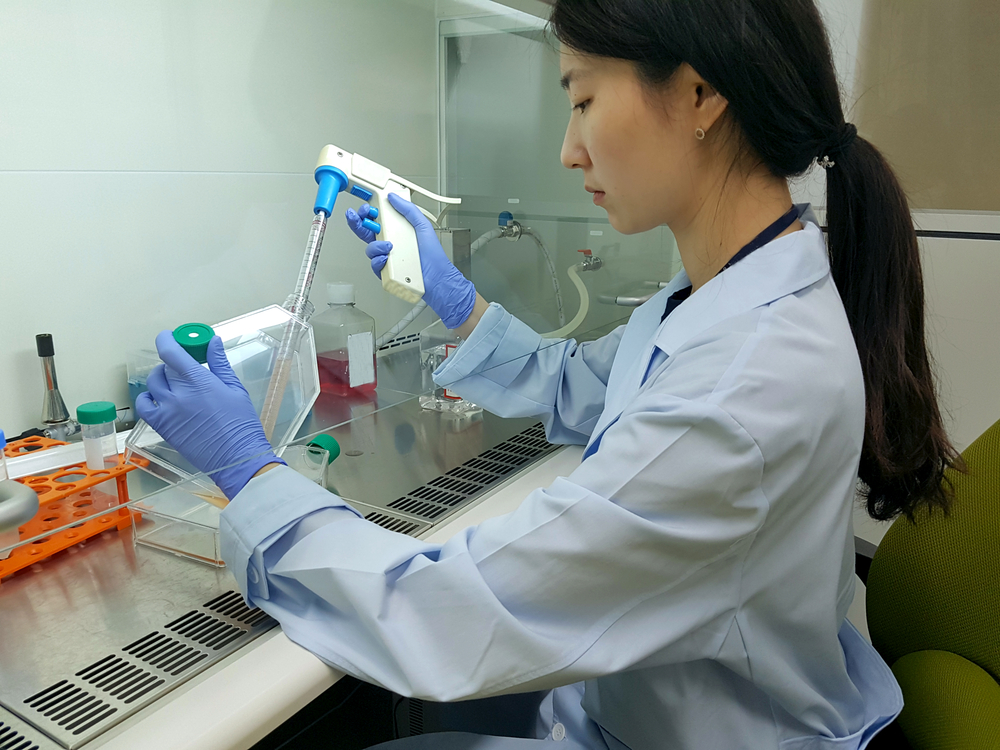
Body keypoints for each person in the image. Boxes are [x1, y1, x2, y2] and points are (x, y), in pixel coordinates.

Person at [136, 1, 962, 747]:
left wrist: (253, 475)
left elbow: (450, 613)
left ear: (702, 96)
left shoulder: (745, 388)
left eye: (581, 98)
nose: (569, 151)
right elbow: (581, 382)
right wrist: (457, 304)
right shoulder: (725, 290)